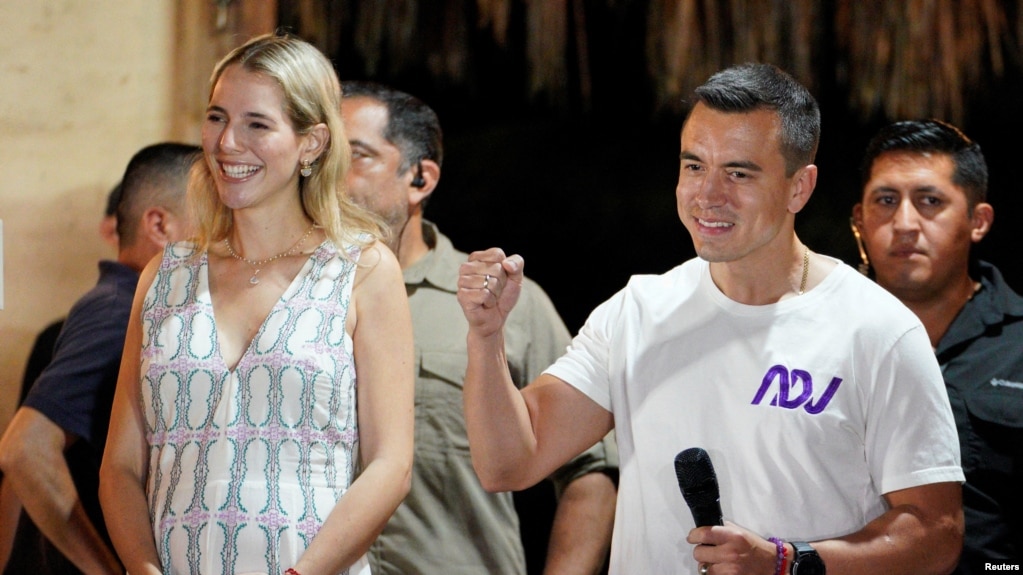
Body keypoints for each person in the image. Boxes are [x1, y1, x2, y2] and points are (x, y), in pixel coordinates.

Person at [456, 62, 965, 575]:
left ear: (799, 188)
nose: (707, 195)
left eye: (738, 173)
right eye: (695, 166)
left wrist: (787, 563)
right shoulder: (637, 311)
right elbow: (509, 463)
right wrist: (486, 336)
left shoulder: (878, 330)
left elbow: (936, 533)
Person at [99, 33, 414, 575]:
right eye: (217, 117)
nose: (227, 143)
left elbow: (391, 465)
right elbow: (121, 467)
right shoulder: (164, 275)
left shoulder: (362, 269)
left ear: (312, 143)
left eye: (257, 124)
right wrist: (144, 570)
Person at [340, 80, 618, 575]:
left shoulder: (503, 303)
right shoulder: (291, 304)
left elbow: (591, 468)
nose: (331, 177)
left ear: (420, 179)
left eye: (356, 156)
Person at [0, 142, 200, 575]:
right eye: (214, 218)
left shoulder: (144, 309)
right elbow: (25, 449)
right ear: (160, 225)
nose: (226, 237)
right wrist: (106, 569)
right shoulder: (118, 311)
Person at [852, 119, 1022, 574]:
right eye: (886, 201)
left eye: (930, 201)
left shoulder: (1018, 344)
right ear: (859, 222)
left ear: (978, 221)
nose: (905, 223)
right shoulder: (812, 338)